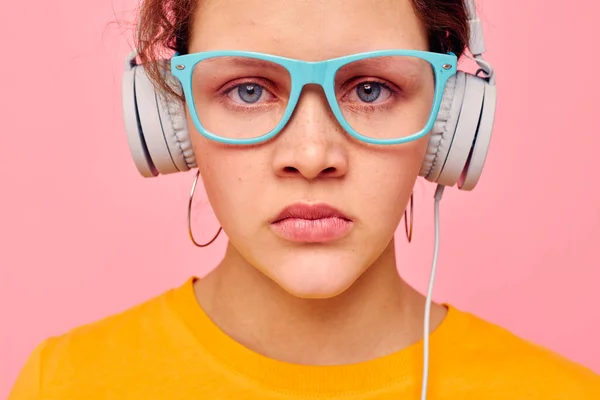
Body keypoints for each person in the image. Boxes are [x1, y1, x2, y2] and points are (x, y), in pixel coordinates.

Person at [9, 0, 600, 399]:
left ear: (446, 118)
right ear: (174, 118)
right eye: (247, 90)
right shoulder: (64, 383)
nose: (313, 154)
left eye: (371, 89)